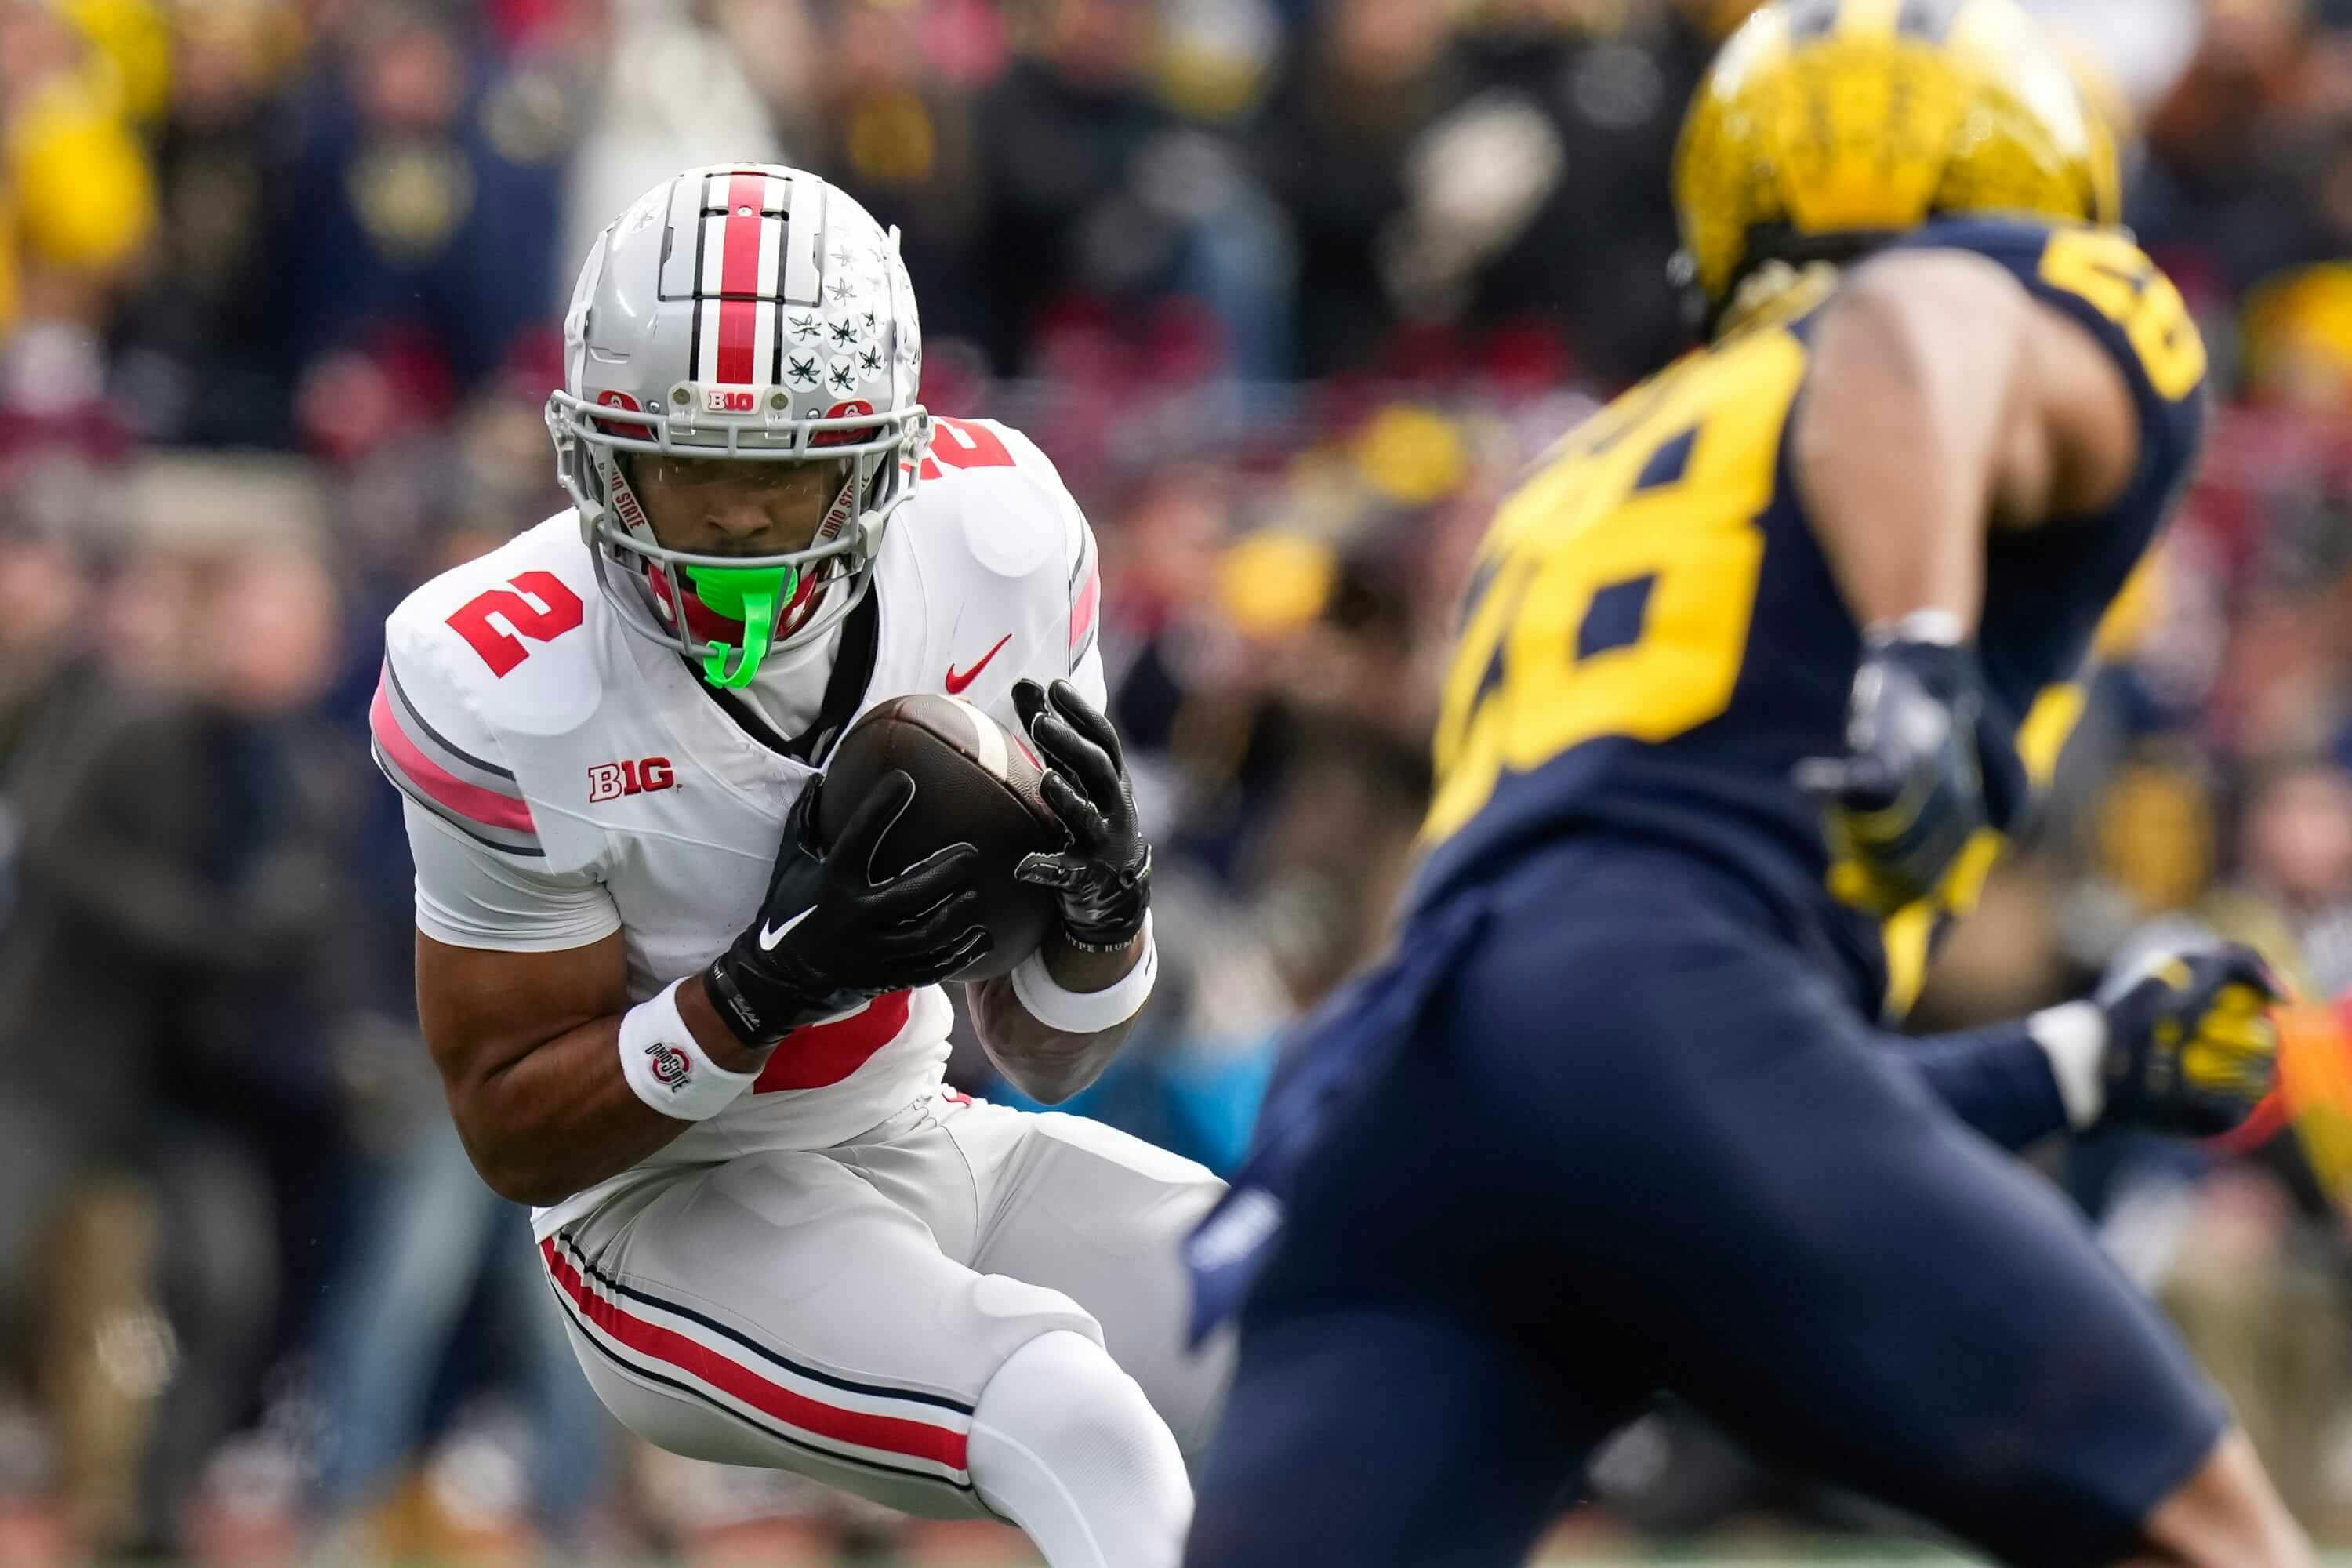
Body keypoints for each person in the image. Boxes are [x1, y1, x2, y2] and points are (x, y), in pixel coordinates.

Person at [1181, 4, 2310, 1566]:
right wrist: (1918, 651)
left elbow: (1693, 1079)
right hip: (1649, 996)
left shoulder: (1588, 461)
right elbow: (1916, 318)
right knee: (2213, 1529)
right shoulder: (2014, 304)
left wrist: (2071, 1061)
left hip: (1410, 1079)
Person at [368, 165, 1225, 1568]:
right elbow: (514, 1132)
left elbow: (1053, 1051)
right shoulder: (498, 678)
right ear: (598, 450)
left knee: (1318, 1310)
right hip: (665, 1220)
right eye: (694, 465)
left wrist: (1103, 924)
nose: (743, 521)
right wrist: (763, 991)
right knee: (1076, 1421)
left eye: (784, 469)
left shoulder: (1000, 539)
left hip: (918, 1127)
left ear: (888, 453)